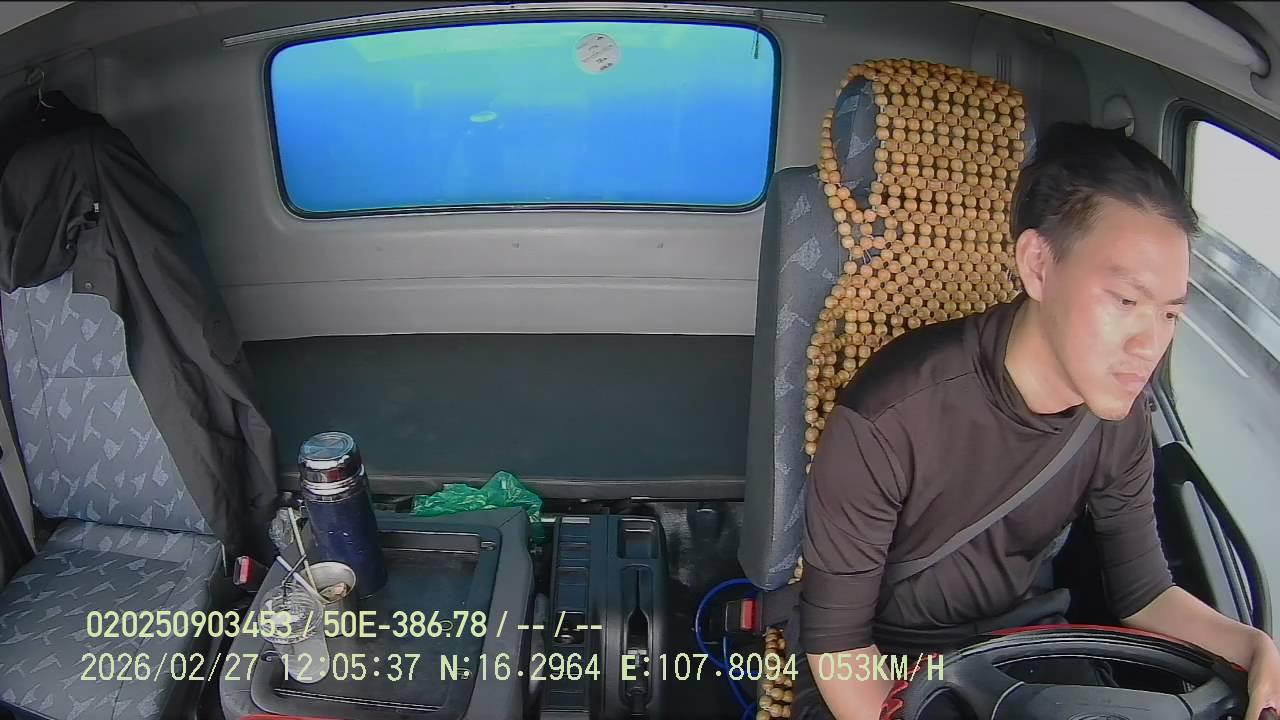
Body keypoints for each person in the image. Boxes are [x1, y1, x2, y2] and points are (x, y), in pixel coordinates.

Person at [789, 122, 1280, 720]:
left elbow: (1144, 592)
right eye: (1127, 301)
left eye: (1170, 314)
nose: (1149, 344)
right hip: (882, 669)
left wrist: (1253, 647)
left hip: (1023, 652)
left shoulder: (1119, 416)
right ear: (1039, 265)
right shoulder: (887, 418)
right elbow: (839, 646)